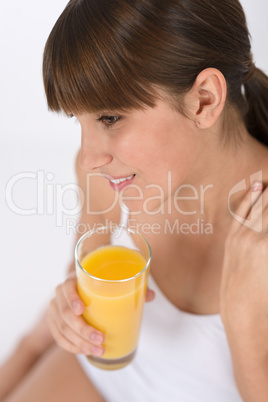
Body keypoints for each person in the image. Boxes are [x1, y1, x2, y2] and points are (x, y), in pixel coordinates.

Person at [1, 0, 268, 400]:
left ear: (205, 100)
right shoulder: (114, 180)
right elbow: (86, 272)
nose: (90, 159)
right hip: (105, 375)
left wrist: (245, 328)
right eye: (79, 121)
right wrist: (54, 327)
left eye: (109, 118)